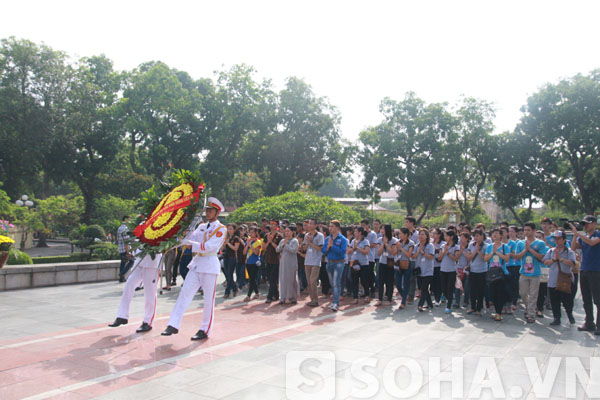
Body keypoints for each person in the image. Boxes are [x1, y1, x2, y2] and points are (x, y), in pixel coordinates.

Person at [161, 197, 227, 340]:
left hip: (209, 264)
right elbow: (190, 238)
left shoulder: (221, 229)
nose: (207, 212)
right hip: (197, 264)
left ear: (217, 213)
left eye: (210, 210)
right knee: (184, 293)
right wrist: (185, 230)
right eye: (207, 210)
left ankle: (204, 329)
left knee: (208, 300)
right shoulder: (201, 226)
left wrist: (191, 243)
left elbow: (211, 246)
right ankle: (173, 324)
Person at [109, 250, 162, 333]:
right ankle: (122, 316)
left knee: (150, 293)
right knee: (128, 286)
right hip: (139, 262)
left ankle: (148, 322)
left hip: (153, 264)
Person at [571, 216, 600, 334]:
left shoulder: (597, 234)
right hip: (584, 269)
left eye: (587, 224)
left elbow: (592, 243)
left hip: (596, 270)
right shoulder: (583, 237)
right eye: (584, 224)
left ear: (594, 223)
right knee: (586, 298)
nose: (586, 226)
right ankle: (589, 322)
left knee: (597, 299)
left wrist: (578, 234)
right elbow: (573, 247)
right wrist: (574, 235)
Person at [514, 222, 548, 323]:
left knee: (533, 294)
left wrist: (531, 250)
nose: (526, 232)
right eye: (525, 230)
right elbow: (517, 257)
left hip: (536, 273)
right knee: (523, 293)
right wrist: (525, 249)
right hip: (524, 272)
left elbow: (541, 257)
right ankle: (529, 308)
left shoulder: (540, 243)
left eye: (528, 230)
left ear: (533, 231)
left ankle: (531, 314)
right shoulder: (520, 243)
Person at [542, 229, 576, 326]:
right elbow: (545, 262)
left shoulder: (569, 252)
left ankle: (569, 314)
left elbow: (572, 263)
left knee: (567, 300)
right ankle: (557, 318)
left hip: (565, 280)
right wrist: (554, 259)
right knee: (554, 300)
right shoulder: (551, 251)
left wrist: (561, 259)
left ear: (564, 239)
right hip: (553, 280)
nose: (557, 241)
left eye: (559, 238)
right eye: (555, 239)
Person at [484, 228, 510, 321]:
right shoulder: (489, 246)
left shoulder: (505, 247)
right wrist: (492, 252)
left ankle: (499, 312)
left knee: (500, 293)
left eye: (497, 233)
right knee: (492, 294)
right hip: (492, 273)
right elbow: (486, 259)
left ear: (501, 235)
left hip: (501, 273)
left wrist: (497, 252)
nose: (495, 235)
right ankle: (496, 311)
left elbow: (507, 259)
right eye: (493, 233)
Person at [322, 220, 348, 312]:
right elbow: (324, 251)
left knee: (336, 283)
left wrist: (332, 246)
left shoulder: (343, 239)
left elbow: (342, 252)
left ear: (337, 228)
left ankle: (336, 303)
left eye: (332, 226)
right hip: (329, 262)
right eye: (329, 226)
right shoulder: (328, 239)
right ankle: (334, 302)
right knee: (332, 283)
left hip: (339, 263)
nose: (330, 228)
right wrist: (328, 247)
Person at [303, 219, 324, 307]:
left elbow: (320, 248)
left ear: (316, 225)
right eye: (309, 224)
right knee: (308, 282)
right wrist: (307, 243)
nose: (309, 225)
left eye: (311, 224)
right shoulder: (307, 235)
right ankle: (312, 299)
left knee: (313, 281)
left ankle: (316, 300)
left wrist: (310, 243)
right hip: (307, 261)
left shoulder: (320, 236)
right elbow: (303, 248)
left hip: (316, 261)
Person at [466, 229, 488, 316]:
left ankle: (479, 308)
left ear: (482, 236)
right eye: (474, 236)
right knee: (472, 289)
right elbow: (469, 257)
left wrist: (478, 251)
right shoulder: (471, 245)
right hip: (473, 270)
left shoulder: (486, 246)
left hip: (482, 271)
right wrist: (475, 250)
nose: (476, 238)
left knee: (480, 290)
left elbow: (485, 259)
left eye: (478, 236)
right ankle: (472, 307)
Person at [277, 225, 300, 304]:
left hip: (291, 263)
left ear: (293, 232)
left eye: (288, 231)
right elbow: (277, 249)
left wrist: (286, 245)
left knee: (291, 279)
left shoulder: (295, 241)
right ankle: (282, 296)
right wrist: (283, 245)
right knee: (283, 279)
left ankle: (292, 297)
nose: (286, 233)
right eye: (285, 231)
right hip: (283, 262)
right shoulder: (282, 240)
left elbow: (293, 250)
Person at [413, 228, 435, 312]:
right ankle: (429, 303)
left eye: (422, 234)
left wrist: (423, 252)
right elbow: (413, 257)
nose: (420, 236)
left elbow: (431, 257)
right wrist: (418, 251)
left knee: (424, 288)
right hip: (419, 271)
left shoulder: (430, 245)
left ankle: (420, 305)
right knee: (423, 288)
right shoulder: (417, 246)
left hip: (428, 271)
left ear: (426, 236)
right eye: (419, 234)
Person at [263, 219, 283, 304]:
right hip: (268, 259)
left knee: (273, 278)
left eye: (274, 224)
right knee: (270, 279)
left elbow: (279, 249)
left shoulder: (279, 236)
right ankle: (276, 294)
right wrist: (268, 242)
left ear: (277, 226)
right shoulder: (266, 235)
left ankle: (269, 297)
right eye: (271, 224)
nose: (272, 226)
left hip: (276, 260)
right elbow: (263, 248)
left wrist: (272, 242)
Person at [439, 230, 459, 313]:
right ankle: (447, 298)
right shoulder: (443, 245)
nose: (445, 238)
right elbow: (439, 258)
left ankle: (448, 305)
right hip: (443, 269)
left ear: (451, 237)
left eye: (447, 236)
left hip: (451, 270)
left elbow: (456, 259)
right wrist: (444, 252)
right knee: (444, 288)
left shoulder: (456, 247)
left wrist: (448, 253)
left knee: (450, 288)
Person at [394, 227, 413, 309]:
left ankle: (403, 302)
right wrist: (396, 247)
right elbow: (394, 253)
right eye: (399, 234)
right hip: (398, 264)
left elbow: (409, 255)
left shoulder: (411, 243)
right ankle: (404, 297)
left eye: (401, 234)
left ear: (406, 235)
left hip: (407, 264)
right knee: (398, 284)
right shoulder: (398, 242)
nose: (400, 235)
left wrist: (401, 248)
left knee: (406, 283)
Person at [243, 226, 263, 301]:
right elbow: (244, 252)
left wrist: (250, 245)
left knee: (252, 279)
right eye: (250, 232)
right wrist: (247, 245)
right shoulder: (248, 241)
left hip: (255, 262)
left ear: (256, 233)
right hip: (248, 262)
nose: (250, 234)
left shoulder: (258, 242)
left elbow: (256, 252)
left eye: (252, 232)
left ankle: (248, 295)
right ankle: (257, 293)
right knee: (252, 279)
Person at [353, 226, 372, 304]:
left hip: (364, 264)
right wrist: (352, 248)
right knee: (354, 281)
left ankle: (367, 295)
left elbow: (366, 251)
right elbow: (349, 250)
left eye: (355, 231)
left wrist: (357, 247)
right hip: (355, 264)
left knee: (364, 281)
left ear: (360, 232)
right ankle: (355, 297)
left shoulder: (366, 241)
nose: (354, 233)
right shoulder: (353, 241)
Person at [222, 223, 241, 298]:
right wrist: (223, 244)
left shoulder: (236, 238)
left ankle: (227, 292)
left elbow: (235, 248)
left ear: (234, 230)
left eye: (230, 229)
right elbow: (223, 248)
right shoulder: (226, 237)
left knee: (230, 274)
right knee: (228, 275)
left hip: (232, 257)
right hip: (226, 257)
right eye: (228, 229)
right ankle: (235, 288)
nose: (229, 230)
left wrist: (228, 243)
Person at [117, 216, 133, 282]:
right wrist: (128, 251)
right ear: (126, 220)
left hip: (120, 248)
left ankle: (121, 278)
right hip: (124, 249)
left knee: (123, 262)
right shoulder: (125, 229)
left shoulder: (120, 228)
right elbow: (126, 241)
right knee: (132, 261)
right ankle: (122, 273)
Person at [431, 228, 445, 305]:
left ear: (439, 235)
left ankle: (438, 298)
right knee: (433, 283)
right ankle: (436, 297)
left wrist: (435, 249)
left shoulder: (443, 243)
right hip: (431, 265)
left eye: (435, 233)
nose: (433, 235)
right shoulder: (430, 242)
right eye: (432, 233)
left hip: (440, 265)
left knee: (439, 282)